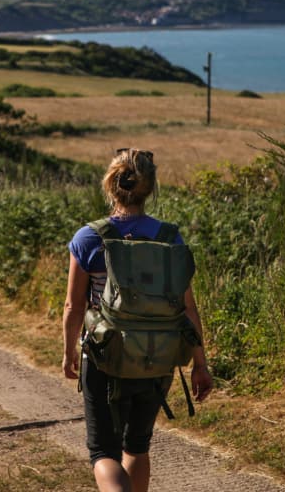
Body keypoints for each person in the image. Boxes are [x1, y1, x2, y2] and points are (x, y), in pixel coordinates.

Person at [62, 148, 213, 492]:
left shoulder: (90, 237)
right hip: (158, 357)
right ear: (150, 188)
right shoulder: (168, 237)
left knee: (103, 452)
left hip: (104, 358)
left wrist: (70, 352)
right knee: (138, 446)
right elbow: (189, 308)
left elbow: (73, 306)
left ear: (110, 185)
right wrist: (200, 364)